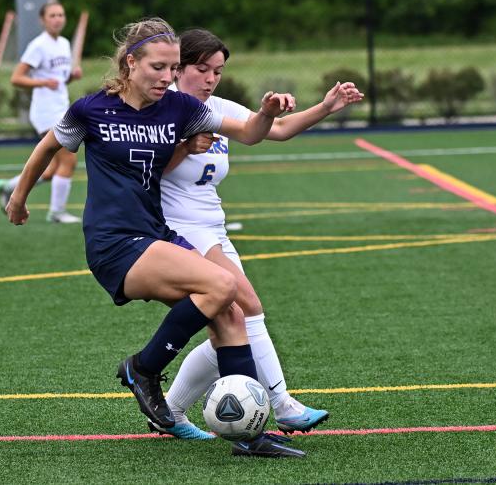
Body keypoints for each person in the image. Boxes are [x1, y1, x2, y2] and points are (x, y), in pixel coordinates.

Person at [5, 18, 305, 458]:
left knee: (232, 314)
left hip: (154, 235)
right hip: (113, 242)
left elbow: (251, 133)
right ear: (131, 63)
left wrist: (265, 113)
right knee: (222, 285)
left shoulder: (181, 109)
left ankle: (250, 435)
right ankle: (143, 369)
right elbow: (48, 147)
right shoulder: (91, 109)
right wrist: (19, 197)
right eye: (158, 68)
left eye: (173, 68)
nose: (167, 78)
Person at [146, 29, 364, 440]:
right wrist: (184, 147)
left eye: (218, 71)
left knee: (231, 324)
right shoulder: (162, 110)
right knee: (248, 305)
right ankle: (282, 404)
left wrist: (325, 106)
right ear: (179, 68)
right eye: (201, 68)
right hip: (178, 229)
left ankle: (170, 411)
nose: (210, 78)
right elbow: (143, 173)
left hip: (213, 227)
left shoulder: (217, 108)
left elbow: (271, 130)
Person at [0, 0, 84, 224]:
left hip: (61, 109)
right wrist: (42, 83)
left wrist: (70, 78)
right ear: (42, 20)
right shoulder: (38, 45)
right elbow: (17, 78)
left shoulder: (64, 43)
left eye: (60, 15)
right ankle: (56, 212)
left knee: (51, 169)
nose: (57, 19)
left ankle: (10, 187)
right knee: (69, 161)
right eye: (52, 16)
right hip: (46, 112)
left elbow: (58, 81)